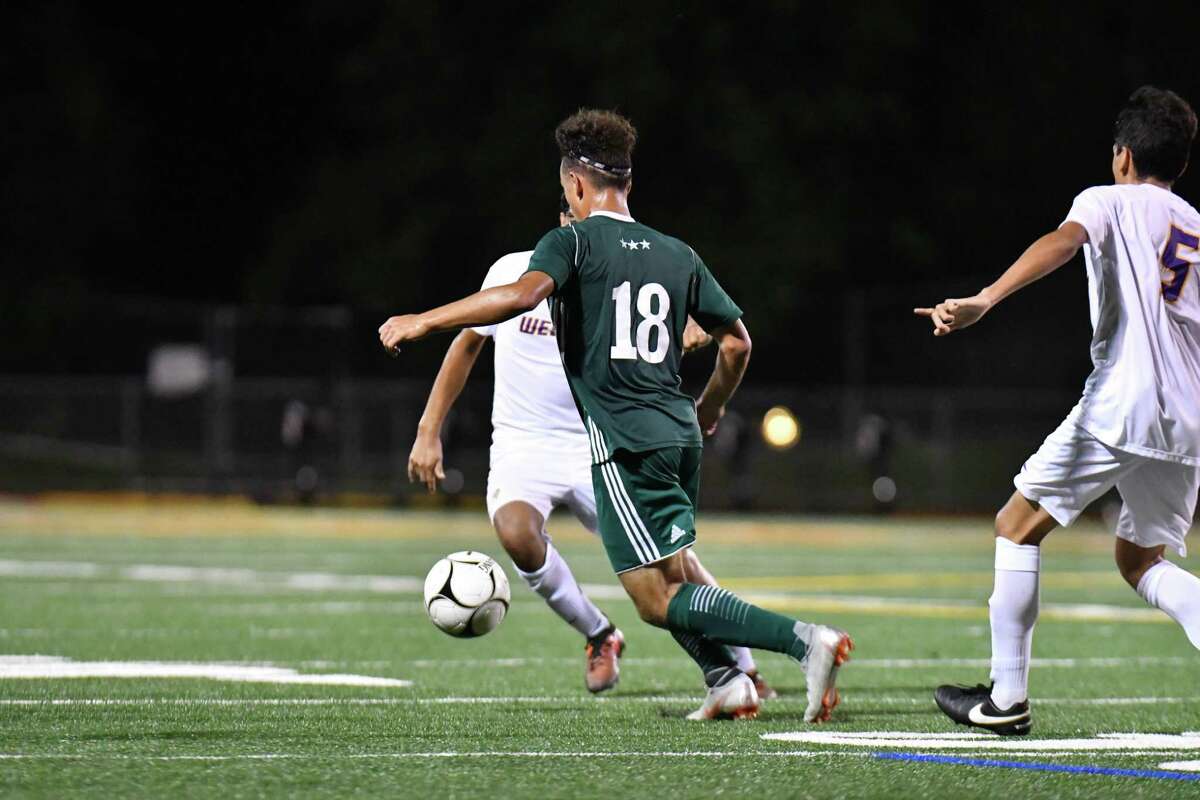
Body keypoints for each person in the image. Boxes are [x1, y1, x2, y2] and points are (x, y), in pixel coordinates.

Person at [382, 109, 851, 722]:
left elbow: (522, 296)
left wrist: (423, 319)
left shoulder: (571, 242)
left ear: (575, 186)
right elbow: (736, 343)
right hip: (678, 434)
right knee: (672, 568)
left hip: (624, 443)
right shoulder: (675, 251)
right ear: (627, 182)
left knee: (656, 600)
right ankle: (727, 680)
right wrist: (708, 406)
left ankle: (803, 642)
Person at [407, 195, 775, 697]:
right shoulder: (517, 272)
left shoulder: (614, 276)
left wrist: (680, 336)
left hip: (597, 438)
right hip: (523, 443)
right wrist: (430, 429)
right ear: (561, 221)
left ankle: (742, 663)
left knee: (674, 566)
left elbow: (649, 340)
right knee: (516, 532)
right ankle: (600, 634)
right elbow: (468, 344)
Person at [916, 86, 1200, 736]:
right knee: (1142, 561)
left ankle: (1007, 698)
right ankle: (1005, 696)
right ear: (1179, 163)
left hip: (1124, 400)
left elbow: (1064, 240)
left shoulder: (1106, 199)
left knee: (1016, 524)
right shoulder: (1193, 224)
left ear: (1123, 155)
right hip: (1187, 414)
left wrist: (987, 298)